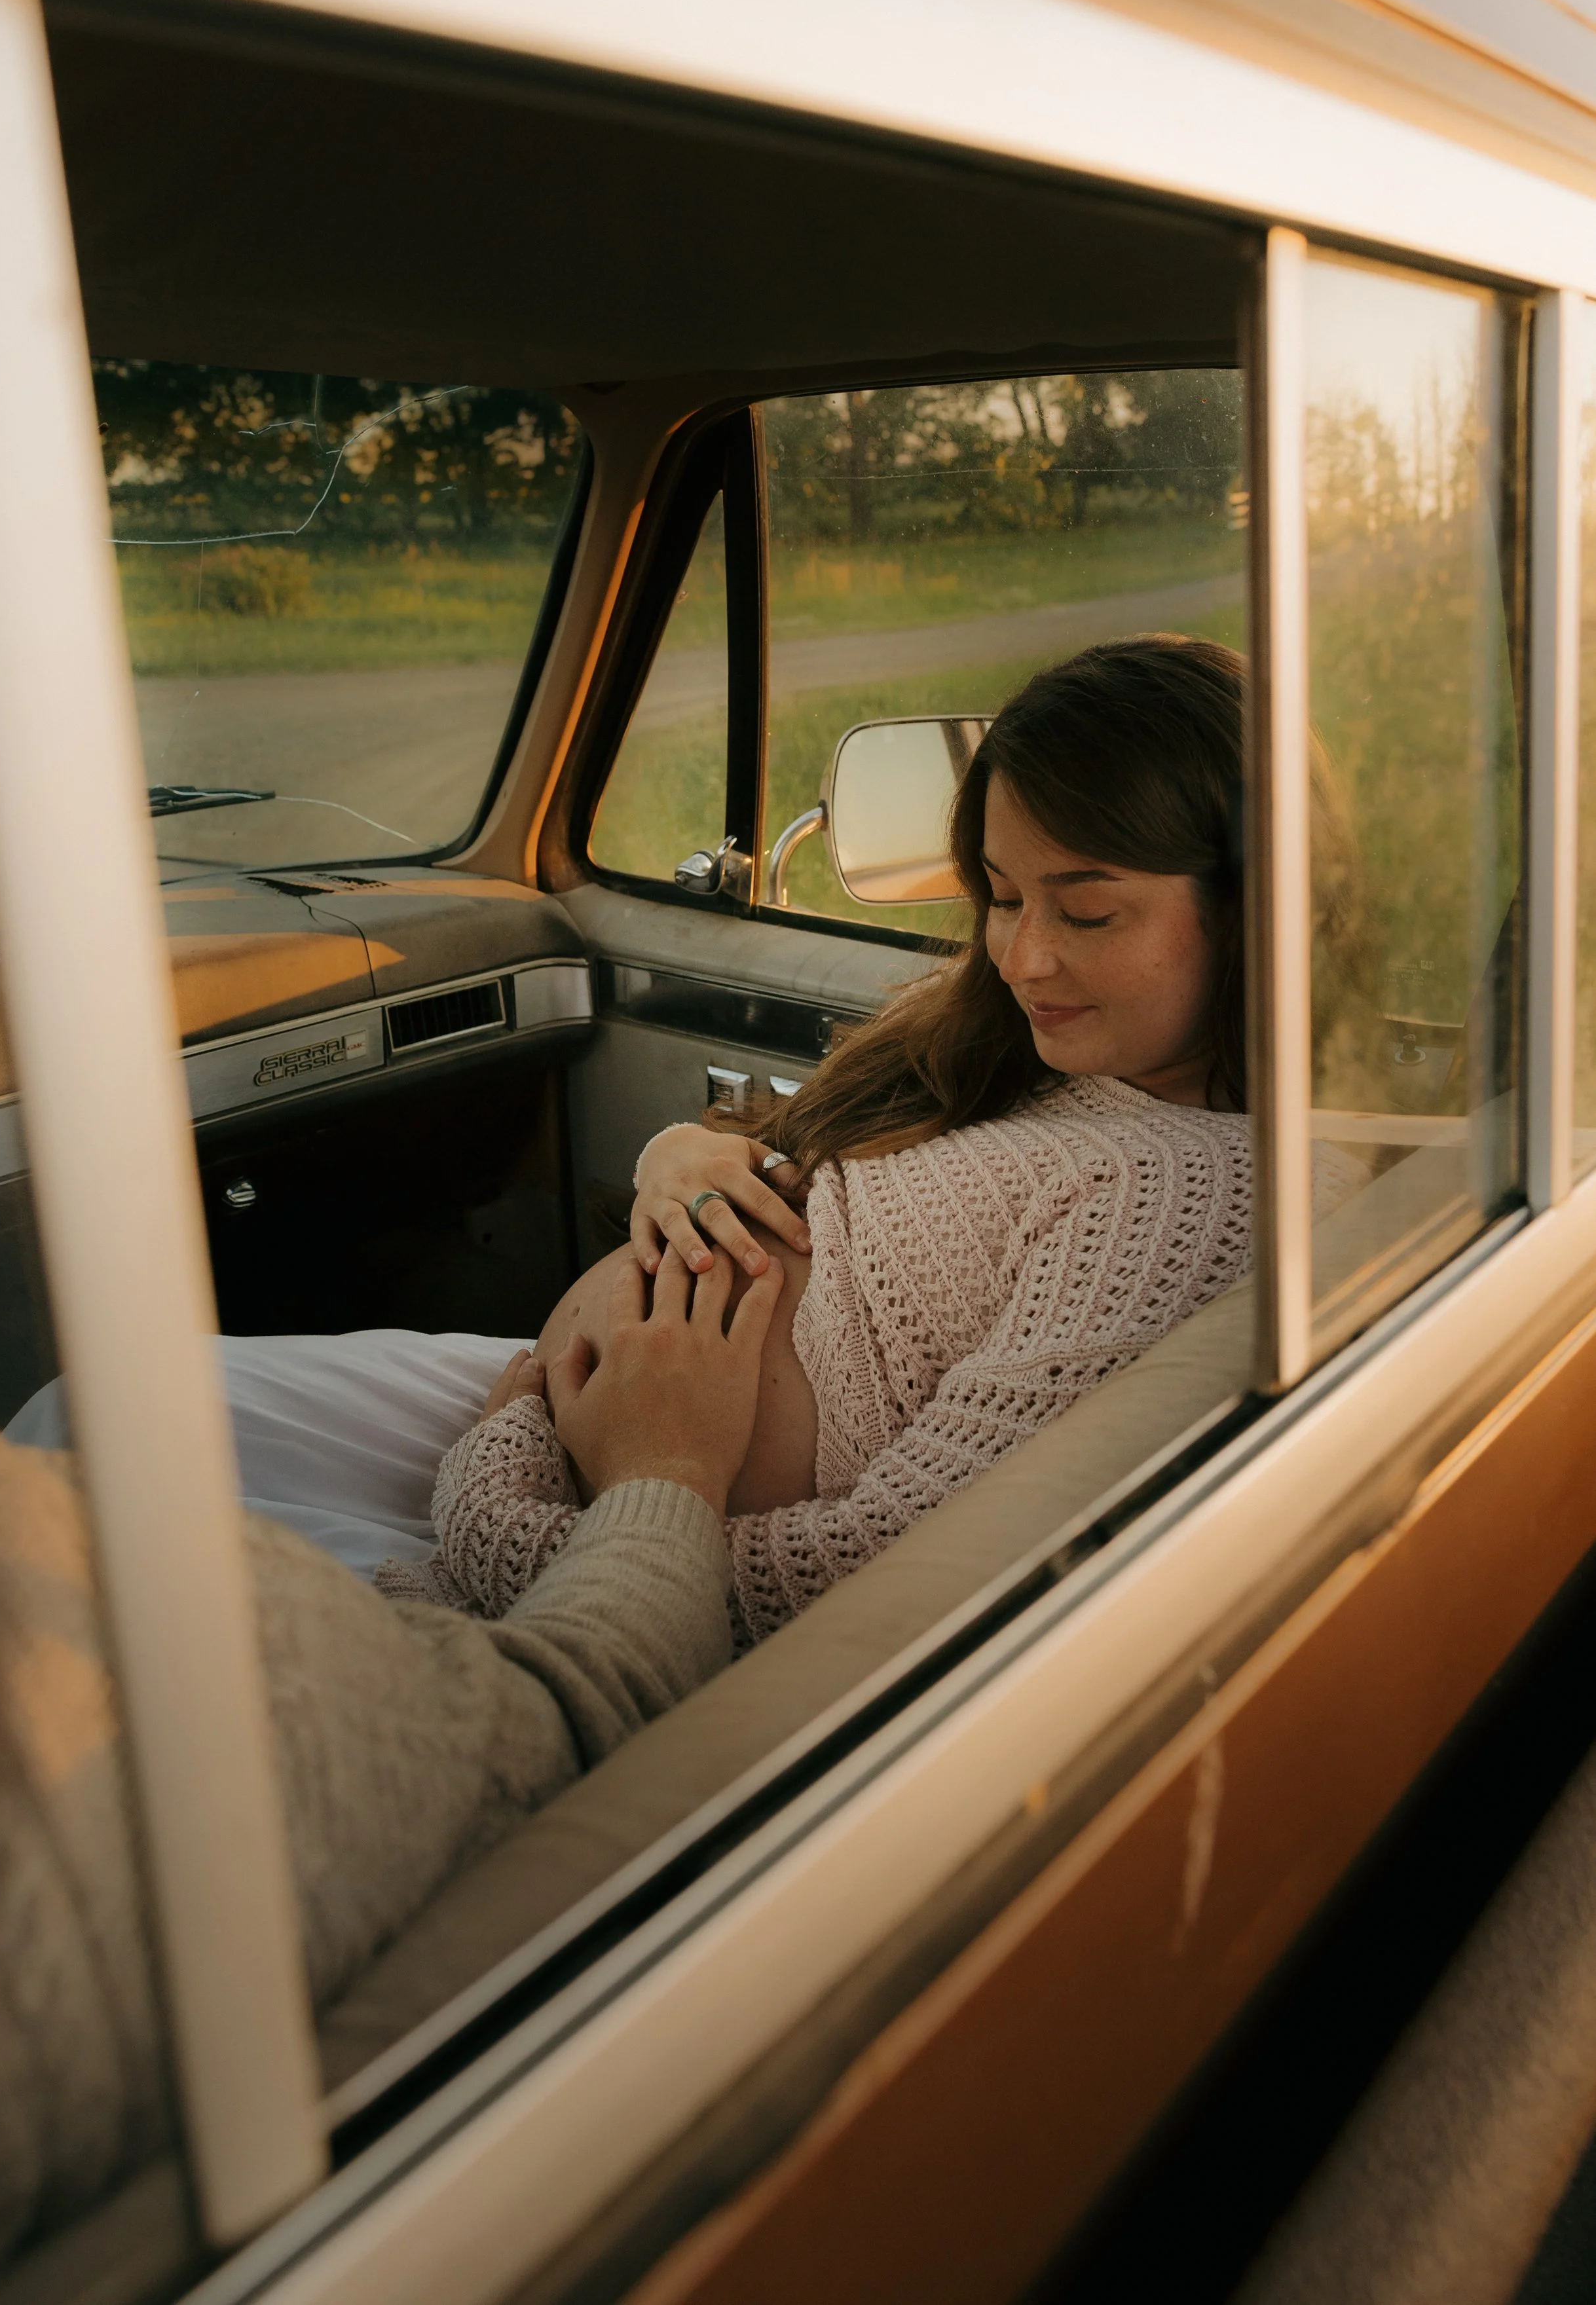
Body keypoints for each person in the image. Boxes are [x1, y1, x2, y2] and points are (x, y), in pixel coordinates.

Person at [376, 636, 1360, 1645]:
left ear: (1260, 906)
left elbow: (879, 1583)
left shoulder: (1200, 1201)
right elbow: (794, 1151)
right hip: (594, 1493)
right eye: (1004, 897)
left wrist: (499, 1482)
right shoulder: (1024, 1051)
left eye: (1088, 910)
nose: (1024, 956)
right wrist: (681, 1155)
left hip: (605, 1570)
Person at [0, 1248, 779, 2285]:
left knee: (80, 1412)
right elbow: (580, 1705)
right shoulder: (159, 1708)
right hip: (557, 1514)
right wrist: (660, 1467)